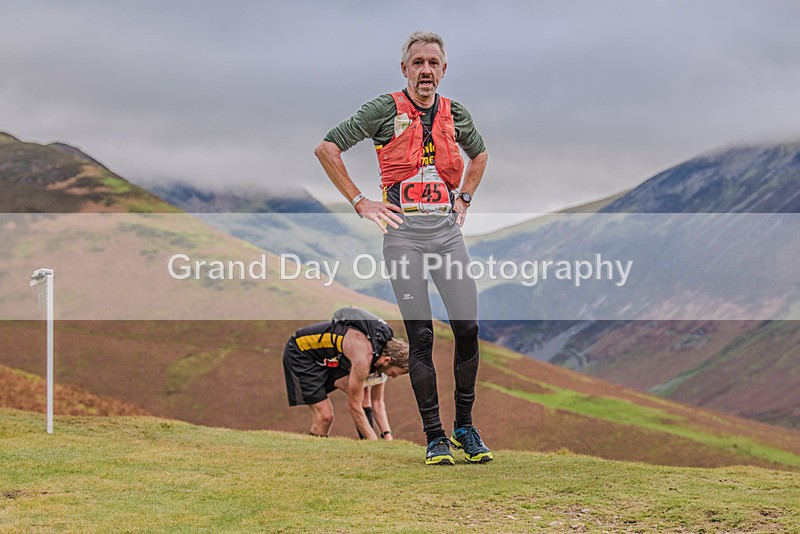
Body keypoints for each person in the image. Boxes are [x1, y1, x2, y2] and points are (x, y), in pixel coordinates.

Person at [315, 31, 493, 465]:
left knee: (467, 328)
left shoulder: (456, 114)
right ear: (405, 69)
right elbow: (327, 148)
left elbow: (480, 155)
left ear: (443, 70)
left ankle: (464, 427)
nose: (425, 70)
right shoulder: (383, 109)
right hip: (404, 238)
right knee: (421, 337)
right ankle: (434, 437)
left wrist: (465, 197)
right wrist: (360, 201)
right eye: (418, 63)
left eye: (433, 63)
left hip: (446, 235)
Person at [283, 307, 409, 440]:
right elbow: (354, 406)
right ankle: (313, 452)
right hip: (301, 353)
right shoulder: (364, 358)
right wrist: (373, 441)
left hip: (329, 356)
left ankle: (365, 443)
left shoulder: (382, 347)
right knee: (325, 417)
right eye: (394, 373)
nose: (393, 377)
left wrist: (387, 437)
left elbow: (376, 400)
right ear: (387, 360)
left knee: (362, 392)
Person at [356, 376, 394, 441]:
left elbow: (377, 400)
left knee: (365, 395)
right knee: (364, 394)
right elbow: (355, 404)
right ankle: (368, 439)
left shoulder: (383, 373)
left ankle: (368, 440)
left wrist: (387, 434)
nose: (394, 376)